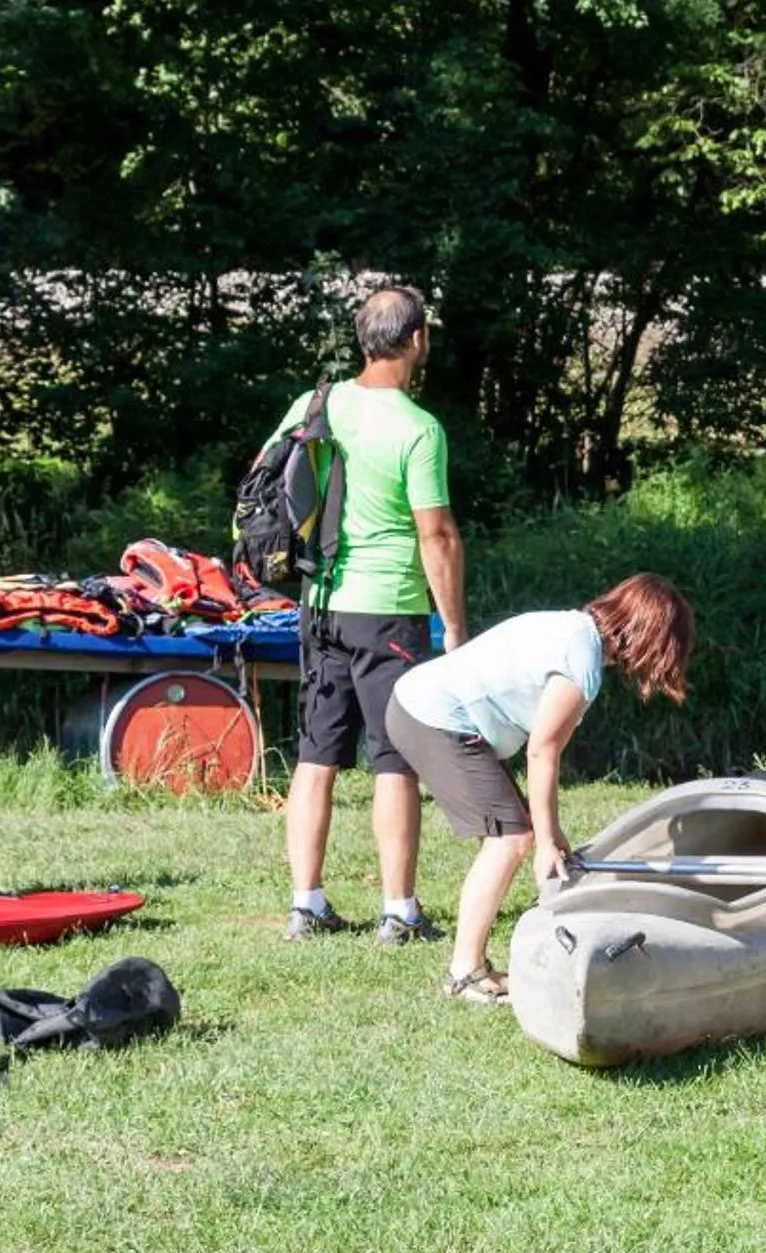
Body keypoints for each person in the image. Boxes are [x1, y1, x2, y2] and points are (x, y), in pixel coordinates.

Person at [383, 574, 695, 1004]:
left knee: (514, 833)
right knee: (511, 839)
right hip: (435, 717)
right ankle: (465, 972)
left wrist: (552, 834)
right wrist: (545, 840)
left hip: (420, 704)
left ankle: (470, 966)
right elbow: (542, 752)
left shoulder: (573, 629)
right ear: (647, 636)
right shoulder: (582, 660)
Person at [268, 285, 470, 946]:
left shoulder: (315, 403)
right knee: (394, 760)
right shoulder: (418, 428)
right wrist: (456, 628)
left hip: (320, 602)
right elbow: (435, 536)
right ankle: (399, 911)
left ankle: (306, 903)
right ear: (418, 341)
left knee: (315, 756)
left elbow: (267, 479)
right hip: (390, 612)